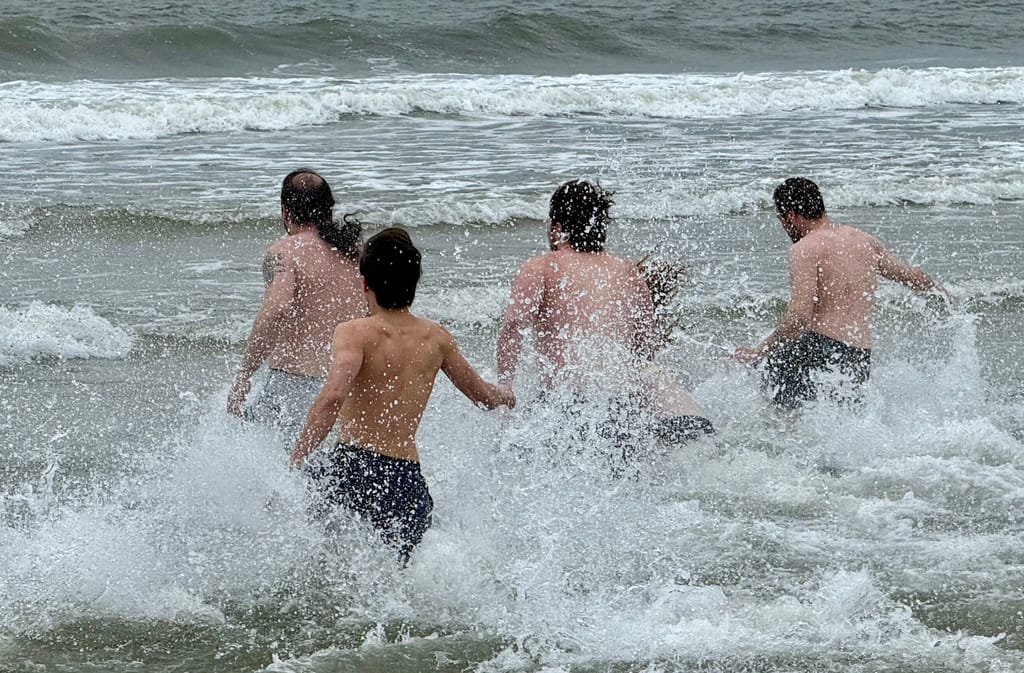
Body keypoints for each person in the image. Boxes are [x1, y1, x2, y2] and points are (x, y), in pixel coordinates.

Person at [290, 228, 515, 562]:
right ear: (413, 285)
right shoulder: (436, 338)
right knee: (404, 572)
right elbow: (482, 396)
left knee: (328, 561)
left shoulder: (353, 333)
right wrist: (506, 395)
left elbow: (333, 396)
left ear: (365, 283)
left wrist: (296, 459)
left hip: (352, 466)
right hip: (404, 477)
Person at [733, 176, 949, 408]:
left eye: (781, 219)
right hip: (859, 356)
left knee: (772, 389)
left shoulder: (804, 249)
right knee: (843, 420)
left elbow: (798, 318)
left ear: (791, 216)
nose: (784, 227)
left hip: (818, 347)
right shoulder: (864, 241)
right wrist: (942, 294)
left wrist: (758, 351)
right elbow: (913, 277)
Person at [227, 169, 366, 439]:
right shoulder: (356, 252)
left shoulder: (285, 251)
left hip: (295, 385)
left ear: (285, 211)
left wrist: (244, 374)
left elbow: (277, 308)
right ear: (329, 210)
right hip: (349, 386)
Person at [496, 179, 656, 390]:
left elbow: (514, 323)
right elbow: (647, 337)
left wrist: (505, 385)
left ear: (558, 228)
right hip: (619, 397)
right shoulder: (626, 269)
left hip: (566, 399)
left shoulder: (541, 266)